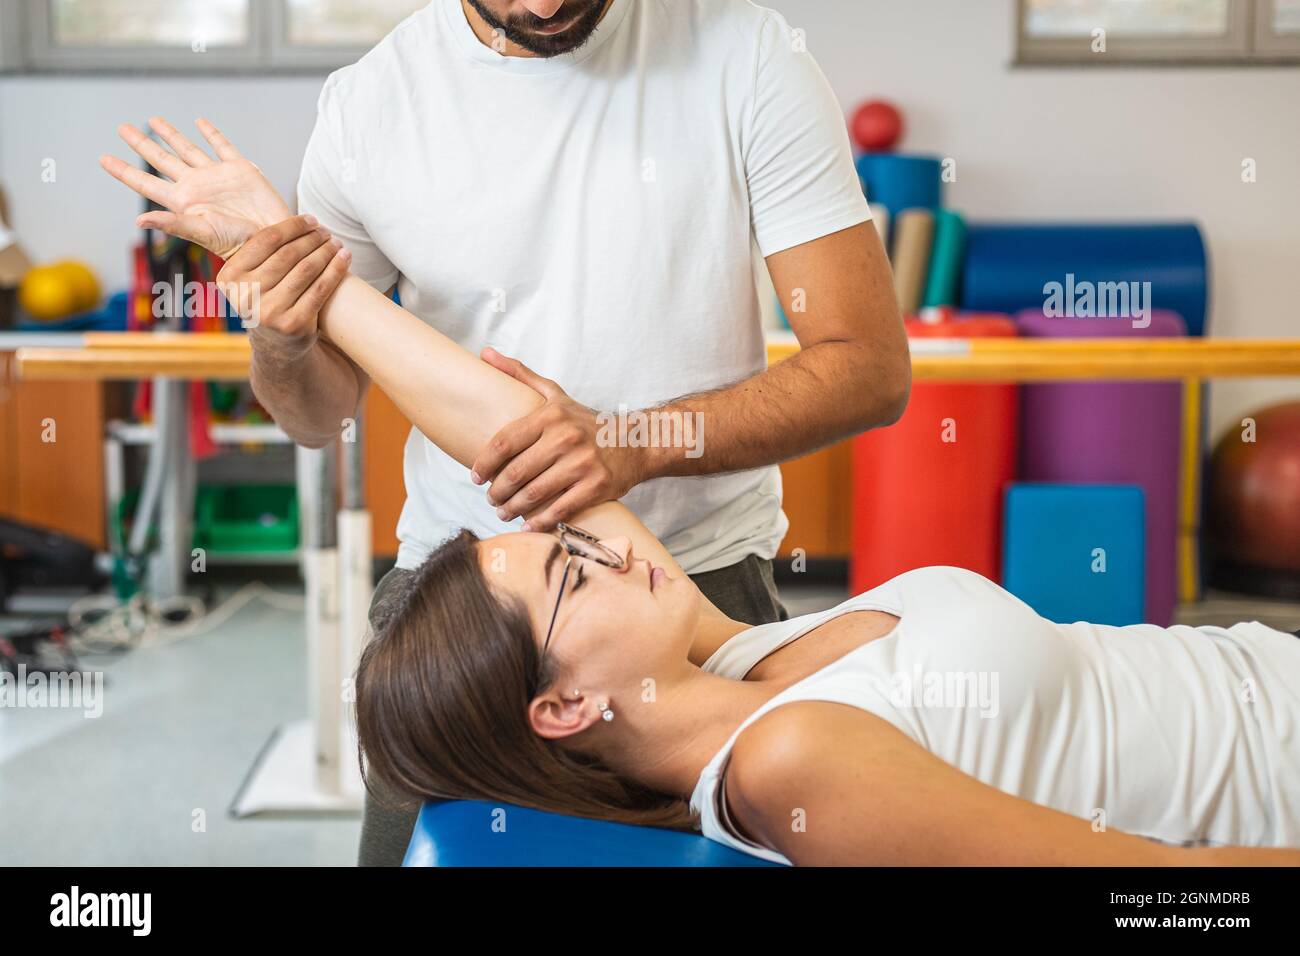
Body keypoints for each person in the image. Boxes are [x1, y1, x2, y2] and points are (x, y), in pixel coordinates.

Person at [100, 125, 1300, 866]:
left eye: (573, 534)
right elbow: (1143, 887)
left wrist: (273, 241)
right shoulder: (781, 762)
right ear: (564, 710)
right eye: (573, 566)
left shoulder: (715, 650)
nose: (613, 542)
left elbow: (504, 430)